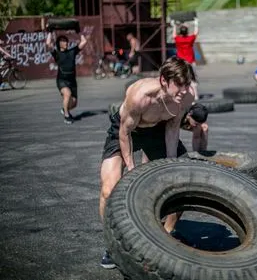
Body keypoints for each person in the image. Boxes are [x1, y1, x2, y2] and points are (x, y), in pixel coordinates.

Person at [99, 56, 195, 269]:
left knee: (183, 181)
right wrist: (132, 169)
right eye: (178, 85)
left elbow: (172, 129)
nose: (184, 90)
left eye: (186, 84)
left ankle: (166, 236)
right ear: (163, 81)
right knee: (109, 188)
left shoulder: (186, 97)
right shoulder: (140, 96)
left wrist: (171, 164)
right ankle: (112, 244)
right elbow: (125, 134)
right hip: (127, 131)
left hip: (158, 130)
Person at [46, 32, 87, 124]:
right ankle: (67, 116)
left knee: (74, 103)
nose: (66, 43)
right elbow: (48, 44)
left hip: (72, 81)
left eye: (66, 41)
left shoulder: (72, 51)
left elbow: (84, 41)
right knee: (67, 94)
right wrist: (49, 31)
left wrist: (79, 32)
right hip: (62, 80)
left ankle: (65, 109)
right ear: (59, 43)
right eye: (63, 41)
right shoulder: (56, 54)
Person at [172, 18, 199, 101]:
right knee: (193, 79)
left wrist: (174, 25)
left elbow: (174, 35)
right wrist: (196, 23)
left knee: (181, 79)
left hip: (181, 63)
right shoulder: (190, 39)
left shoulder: (178, 40)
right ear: (187, 32)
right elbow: (196, 32)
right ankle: (196, 96)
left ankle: (180, 95)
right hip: (190, 61)